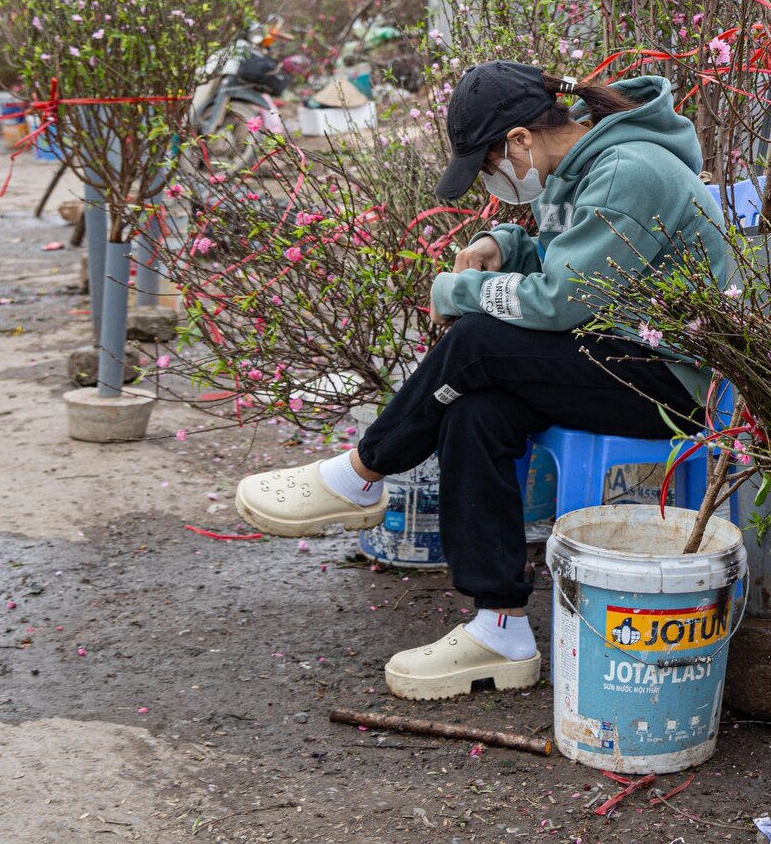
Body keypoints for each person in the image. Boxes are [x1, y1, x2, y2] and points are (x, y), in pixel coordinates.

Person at [233, 61, 738, 700]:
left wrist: (463, 288)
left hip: (672, 382)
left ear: (521, 140)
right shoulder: (581, 165)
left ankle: (361, 474)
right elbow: (571, 255)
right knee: (479, 410)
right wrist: (504, 244)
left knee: (475, 341)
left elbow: (561, 301)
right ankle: (499, 626)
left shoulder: (628, 171)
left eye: (490, 162)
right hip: (617, 352)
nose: (494, 181)